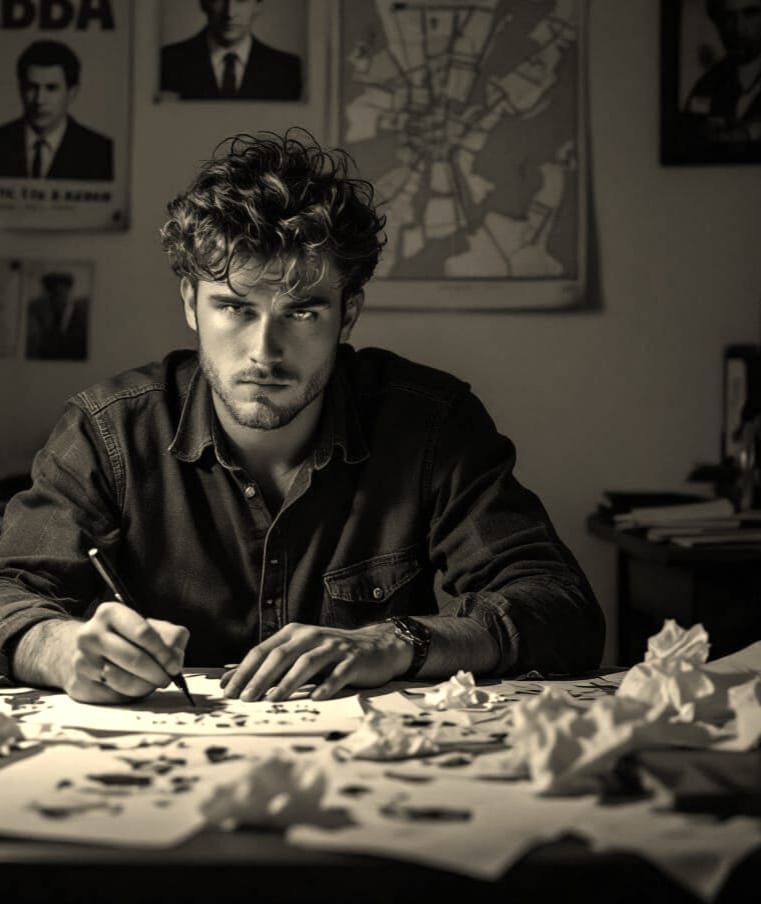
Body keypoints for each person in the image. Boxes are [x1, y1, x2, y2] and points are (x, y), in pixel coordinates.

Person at [0, 129, 604, 706]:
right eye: (235, 308)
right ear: (191, 303)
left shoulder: (429, 424)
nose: (265, 351)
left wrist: (396, 641)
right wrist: (57, 647)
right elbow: (9, 593)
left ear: (348, 313)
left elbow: (560, 607)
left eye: (303, 313)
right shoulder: (108, 432)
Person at [0, 40, 113, 181]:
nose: (39, 100)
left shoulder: (102, 153)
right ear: (20, 89)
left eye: (51, 88)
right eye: (31, 87)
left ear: (72, 92)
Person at [160, 0, 302, 101]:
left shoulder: (287, 70)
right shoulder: (167, 62)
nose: (230, 12)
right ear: (203, 3)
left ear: (258, 5)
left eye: (241, 0)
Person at [682, 0, 761, 144]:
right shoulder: (706, 85)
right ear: (717, 23)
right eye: (729, 16)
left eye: (750, 13)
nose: (739, 28)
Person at [26, 271, 89, 361]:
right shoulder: (42, 316)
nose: (55, 299)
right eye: (51, 294)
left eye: (59, 293)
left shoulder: (83, 316)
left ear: (69, 290)